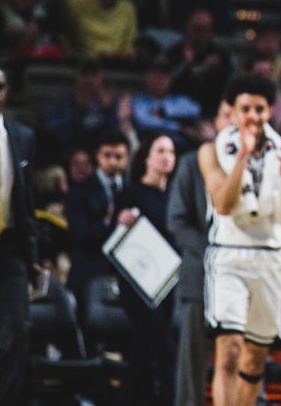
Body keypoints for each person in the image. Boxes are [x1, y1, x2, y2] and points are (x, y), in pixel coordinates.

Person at [199, 73, 281, 406]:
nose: (253, 116)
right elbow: (224, 205)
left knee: (255, 358)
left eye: (259, 109)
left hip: (271, 256)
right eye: (246, 108)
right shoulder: (211, 150)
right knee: (228, 350)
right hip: (229, 255)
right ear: (233, 110)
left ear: (270, 110)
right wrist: (242, 157)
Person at [167, 100, 232, 406]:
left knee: (241, 358)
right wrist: (212, 254)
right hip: (200, 276)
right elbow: (177, 220)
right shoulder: (192, 163)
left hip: (243, 275)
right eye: (227, 115)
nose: (233, 121)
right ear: (215, 122)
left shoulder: (257, 163)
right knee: (192, 363)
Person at [114, 133, 178, 405]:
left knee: (143, 353)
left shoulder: (175, 196)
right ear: (147, 157)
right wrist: (121, 221)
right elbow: (114, 235)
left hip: (168, 283)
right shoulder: (130, 192)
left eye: (171, 152)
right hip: (138, 284)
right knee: (164, 349)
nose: (167, 157)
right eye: (160, 151)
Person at [0, 65, 39, 404]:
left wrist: (34, 257)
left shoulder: (22, 136)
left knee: (18, 331)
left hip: (9, 244)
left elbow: (26, 200)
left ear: (7, 91)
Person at [64, 129, 130, 308]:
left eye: (119, 156)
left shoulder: (133, 190)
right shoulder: (80, 190)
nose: (113, 161)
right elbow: (79, 234)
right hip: (90, 268)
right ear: (97, 156)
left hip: (127, 269)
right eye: (107, 155)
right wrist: (109, 222)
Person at [65, 0, 138, 61]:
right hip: (86, 63)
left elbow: (129, 44)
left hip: (118, 63)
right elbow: (61, 31)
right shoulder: (77, 2)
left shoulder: (128, 8)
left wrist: (129, 53)